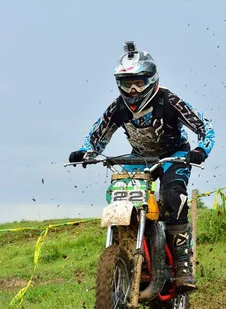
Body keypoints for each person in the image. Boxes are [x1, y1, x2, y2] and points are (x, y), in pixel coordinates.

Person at [69, 41, 215, 292]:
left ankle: (182, 264)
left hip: (174, 156)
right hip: (139, 157)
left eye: (139, 82)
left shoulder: (169, 100)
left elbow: (206, 129)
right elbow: (97, 136)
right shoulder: (118, 107)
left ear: (152, 79)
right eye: (127, 84)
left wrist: (201, 150)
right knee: (118, 194)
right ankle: (124, 250)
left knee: (172, 199)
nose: (134, 90)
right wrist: (86, 151)